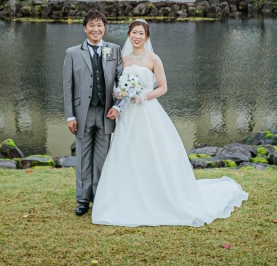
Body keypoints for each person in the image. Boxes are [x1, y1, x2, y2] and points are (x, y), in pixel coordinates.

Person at [92, 19, 248, 227]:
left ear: (147, 37)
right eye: (134, 32)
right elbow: (115, 86)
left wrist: (143, 96)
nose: (137, 36)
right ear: (129, 34)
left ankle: (158, 196)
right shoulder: (123, 58)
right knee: (126, 151)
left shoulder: (153, 58)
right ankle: (126, 196)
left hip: (147, 111)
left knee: (151, 151)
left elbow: (163, 87)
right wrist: (120, 93)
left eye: (141, 33)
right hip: (127, 114)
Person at [62, 10, 124, 216]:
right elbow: (67, 86)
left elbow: (121, 81)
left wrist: (118, 105)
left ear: (104, 28)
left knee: (102, 157)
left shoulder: (114, 50)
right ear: (85, 28)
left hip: (106, 112)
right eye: (92, 25)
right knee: (82, 157)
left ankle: (99, 195)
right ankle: (82, 199)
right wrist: (70, 116)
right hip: (82, 114)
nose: (96, 29)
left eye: (99, 25)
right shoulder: (72, 53)